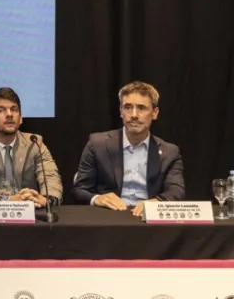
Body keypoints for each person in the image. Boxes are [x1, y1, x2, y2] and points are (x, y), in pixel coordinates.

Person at [73, 81, 185, 217]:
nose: (134, 115)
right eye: (127, 107)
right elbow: (80, 189)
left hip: (147, 217)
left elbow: (176, 191)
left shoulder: (169, 152)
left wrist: (156, 202)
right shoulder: (97, 144)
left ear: (155, 113)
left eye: (141, 108)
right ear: (121, 111)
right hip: (109, 216)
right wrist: (97, 198)